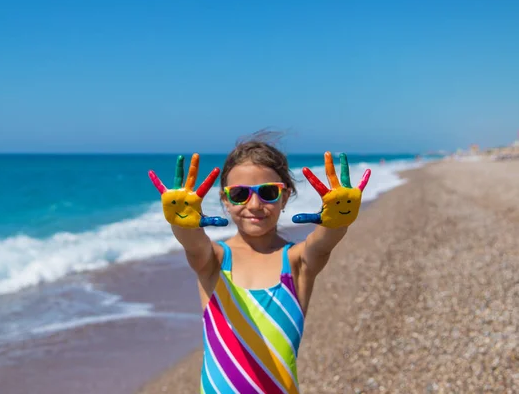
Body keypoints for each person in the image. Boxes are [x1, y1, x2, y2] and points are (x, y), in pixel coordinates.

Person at [148, 132, 371, 394]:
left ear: (285, 197)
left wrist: (338, 218)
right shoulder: (214, 261)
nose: (254, 204)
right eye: (240, 194)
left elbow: (324, 241)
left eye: (268, 192)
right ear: (225, 200)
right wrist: (180, 220)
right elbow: (192, 241)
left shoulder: (297, 262)